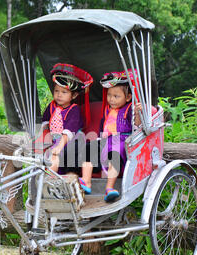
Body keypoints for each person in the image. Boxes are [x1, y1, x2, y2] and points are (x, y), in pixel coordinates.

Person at [79, 70, 142, 202]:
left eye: (116, 96)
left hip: (122, 140)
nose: (111, 99)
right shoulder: (107, 109)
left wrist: (137, 113)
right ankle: (86, 181)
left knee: (115, 155)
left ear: (128, 97)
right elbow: (103, 124)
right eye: (109, 95)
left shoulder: (129, 109)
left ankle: (110, 187)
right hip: (106, 139)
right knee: (88, 149)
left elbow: (136, 126)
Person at [42, 63, 93, 173]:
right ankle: (47, 179)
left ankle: (51, 180)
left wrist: (59, 147)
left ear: (73, 96)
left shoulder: (73, 110)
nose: (59, 95)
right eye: (56, 91)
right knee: (45, 156)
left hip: (70, 141)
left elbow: (68, 132)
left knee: (55, 157)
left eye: (64, 92)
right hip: (55, 141)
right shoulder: (52, 106)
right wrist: (45, 138)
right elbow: (45, 123)